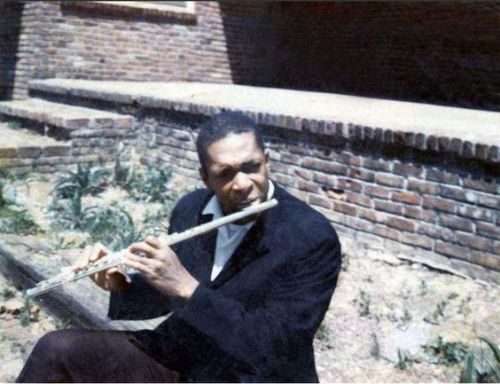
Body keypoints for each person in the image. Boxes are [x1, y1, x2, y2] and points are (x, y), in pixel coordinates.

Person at [17, 111, 342, 383]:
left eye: (251, 167)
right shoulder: (191, 208)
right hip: (184, 358)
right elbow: (167, 297)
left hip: (251, 374)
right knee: (55, 350)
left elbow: (277, 346)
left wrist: (188, 287)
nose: (242, 184)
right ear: (205, 178)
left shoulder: (310, 237)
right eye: (225, 174)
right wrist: (123, 284)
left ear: (267, 161)